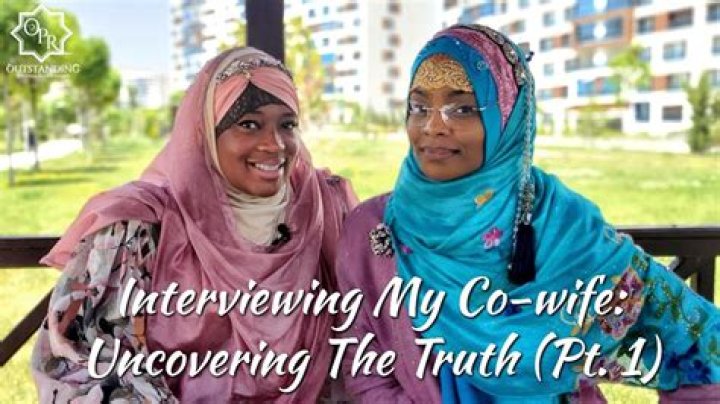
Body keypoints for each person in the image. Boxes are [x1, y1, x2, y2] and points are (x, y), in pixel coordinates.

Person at [336, 24, 719, 403]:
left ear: (509, 119)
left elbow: (701, 345)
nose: (433, 126)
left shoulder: (565, 228)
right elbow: (364, 369)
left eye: (463, 108)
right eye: (419, 107)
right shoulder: (373, 230)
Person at [32, 47, 357, 402]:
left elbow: (368, 333)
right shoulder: (143, 225)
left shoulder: (325, 209)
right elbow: (85, 359)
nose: (274, 144)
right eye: (249, 124)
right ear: (205, 133)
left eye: (287, 124)